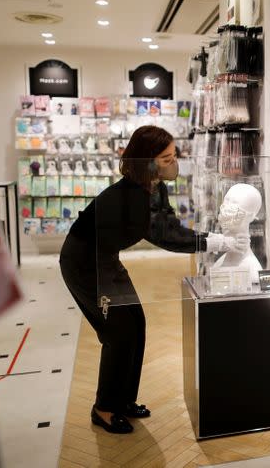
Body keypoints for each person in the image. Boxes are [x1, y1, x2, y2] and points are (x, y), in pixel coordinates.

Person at [59, 125, 247, 434]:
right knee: (118, 333)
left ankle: (123, 400)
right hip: (83, 263)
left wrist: (209, 239)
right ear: (145, 161)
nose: (173, 163)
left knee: (136, 323)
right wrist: (214, 241)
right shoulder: (132, 194)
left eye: (174, 155)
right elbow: (164, 234)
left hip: (105, 259)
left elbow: (169, 222)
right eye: (165, 157)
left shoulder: (153, 185)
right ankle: (104, 408)